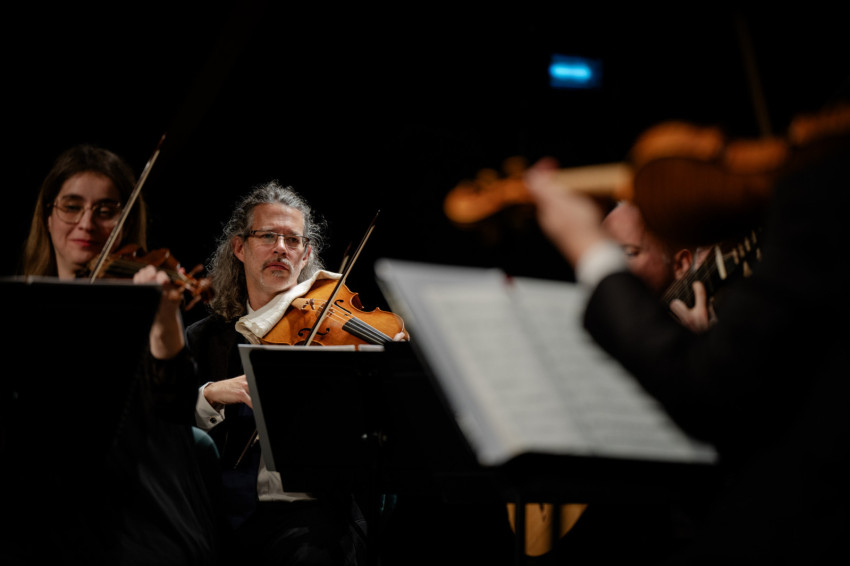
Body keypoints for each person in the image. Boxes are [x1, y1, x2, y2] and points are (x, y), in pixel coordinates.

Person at [524, 102, 850, 564]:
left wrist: (592, 253)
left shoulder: (823, 194)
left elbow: (720, 400)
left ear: (680, 264)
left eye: (629, 253)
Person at [5, 144, 219, 564]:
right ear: (49, 216)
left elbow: (175, 404)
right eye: (72, 206)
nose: (86, 223)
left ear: (124, 223)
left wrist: (163, 317)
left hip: (133, 506)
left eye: (105, 210)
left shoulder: (148, 303)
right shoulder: (25, 308)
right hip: (46, 504)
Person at [187, 180, 407, 565]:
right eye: (267, 236)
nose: (281, 248)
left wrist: (395, 368)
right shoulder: (204, 337)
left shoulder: (332, 329)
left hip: (315, 512)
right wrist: (210, 394)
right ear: (239, 248)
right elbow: (164, 419)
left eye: (293, 240)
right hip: (217, 512)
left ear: (306, 255)